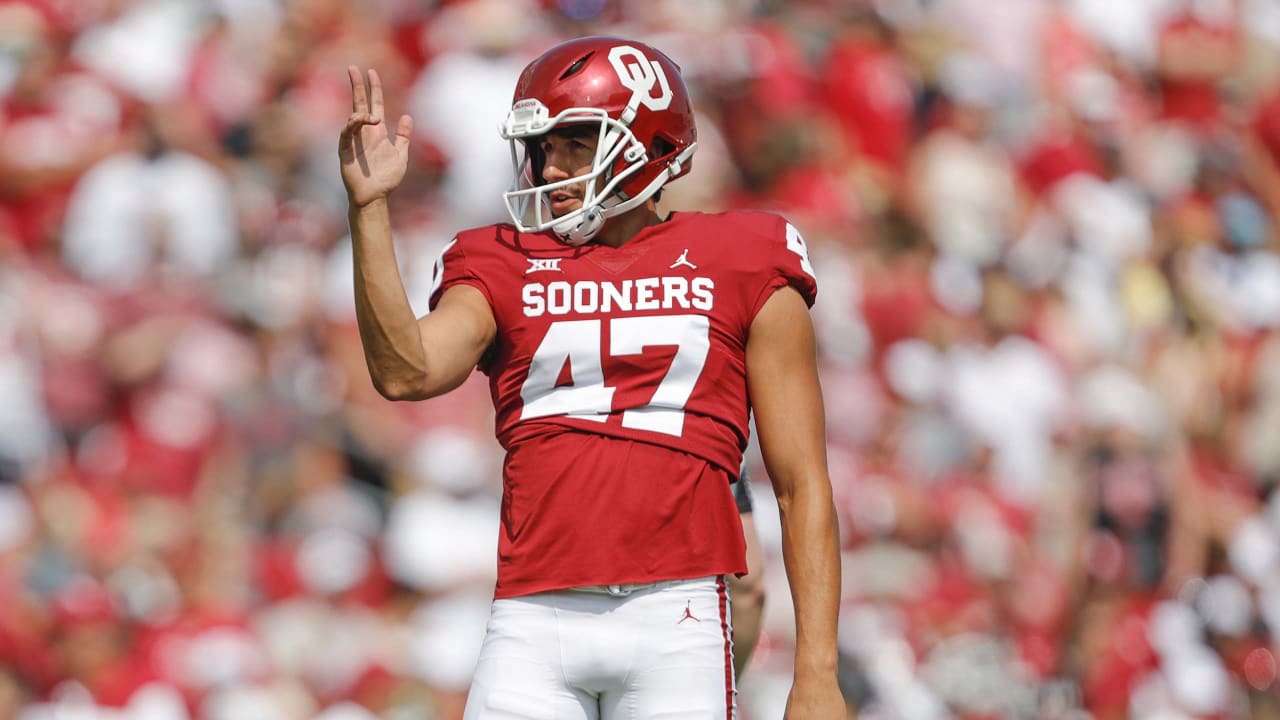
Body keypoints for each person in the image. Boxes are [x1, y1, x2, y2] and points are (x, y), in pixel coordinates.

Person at [339, 36, 844, 719]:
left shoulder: (743, 258)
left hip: (679, 616)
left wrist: (817, 672)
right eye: (542, 147)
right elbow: (406, 373)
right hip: (531, 616)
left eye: (574, 142)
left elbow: (800, 482)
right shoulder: (500, 259)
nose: (550, 168)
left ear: (647, 144)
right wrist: (369, 212)